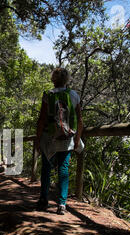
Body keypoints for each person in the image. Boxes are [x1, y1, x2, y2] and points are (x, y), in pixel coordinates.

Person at [36, 68, 83, 215]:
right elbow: (80, 120)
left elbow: (42, 119)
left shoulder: (48, 95)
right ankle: (62, 204)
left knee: (46, 168)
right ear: (67, 79)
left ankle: (44, 200)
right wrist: (76, 138)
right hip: (67, 138)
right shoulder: (74, 95)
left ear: (53, 79)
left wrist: (38, 139)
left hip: (49, 138)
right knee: (63, 170)